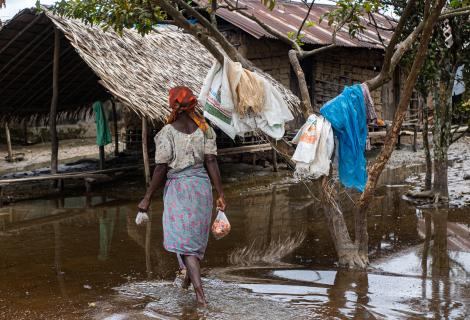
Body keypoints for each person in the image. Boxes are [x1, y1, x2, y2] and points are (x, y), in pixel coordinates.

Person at [137, 86, 226, 306]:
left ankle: (200, 296)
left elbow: (160, 169)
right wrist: (221, 193)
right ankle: (187, 280)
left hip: (179, 190)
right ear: (193, 104)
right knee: (192, 242)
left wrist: (147, 198)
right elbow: (211, 161)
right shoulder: (205, 129)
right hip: (201, 188)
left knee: (186, 245)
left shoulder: (167, 133)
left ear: (172, 104)